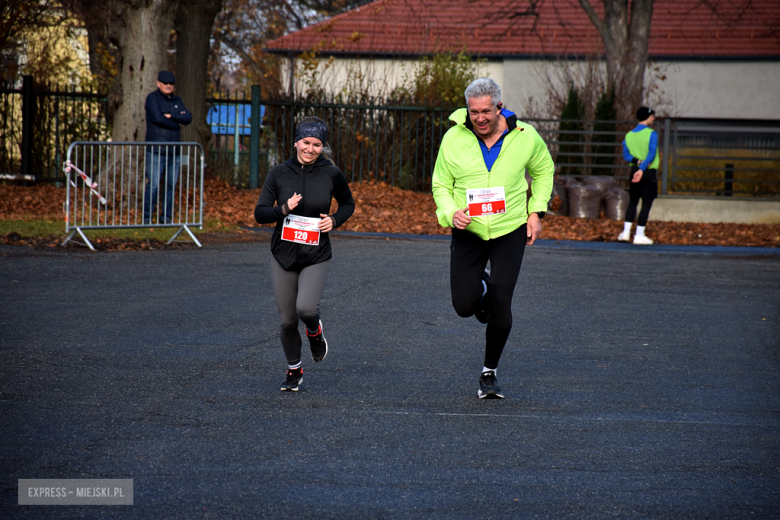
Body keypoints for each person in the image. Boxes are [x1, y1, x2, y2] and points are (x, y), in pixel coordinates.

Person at [432, 78, 554, 399]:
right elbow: (440, 184)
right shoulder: (453, 138)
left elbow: (543, 171)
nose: (480, 118)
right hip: (468, 230)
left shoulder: (525, 136)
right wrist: (450, 212)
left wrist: (536, 211)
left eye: (486, 111)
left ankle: (489, 372)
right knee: (464, 306)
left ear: (499, 107)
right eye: (474, 112)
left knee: (501, 305)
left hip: (509, 229)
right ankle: (482, 285)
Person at [254, 117, 355, 392]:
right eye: (306, 142)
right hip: (283, 254)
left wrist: (334, 220)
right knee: (287, 320)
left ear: (323, 147)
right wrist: (283, 209)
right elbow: (260, 213)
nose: (311, 149)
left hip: (316, 253)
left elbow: (348, 204)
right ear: (296, 142)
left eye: (317, 144)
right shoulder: (278, 173)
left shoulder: (331, 173)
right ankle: (294, 370)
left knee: (306, 309)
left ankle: (314, 330)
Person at [144, 70, 192, 224]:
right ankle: (147, 218)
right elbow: (157, 118)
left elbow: (188, 117)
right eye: (165, 83)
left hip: (174, 151)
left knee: (171, 185)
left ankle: (166, 218)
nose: (169, 86)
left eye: (171, 84)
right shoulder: (153, 98)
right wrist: (176, 122)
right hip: (157, 149)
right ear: (158, 84)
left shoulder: (177, 100)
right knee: (154, 185)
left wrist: (171, 115)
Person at [618, 106, 658, 245]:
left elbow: (626, 155)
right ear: (648, 117)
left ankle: (625, 233)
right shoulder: (651, 133)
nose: (653, 118)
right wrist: (642, 168)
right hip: (648, 171)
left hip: (634, 170)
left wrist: (637, 163)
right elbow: (651, 154)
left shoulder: (629, 135)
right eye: (652, 116)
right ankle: (639, 235)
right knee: (646, 202)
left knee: (633, 201)